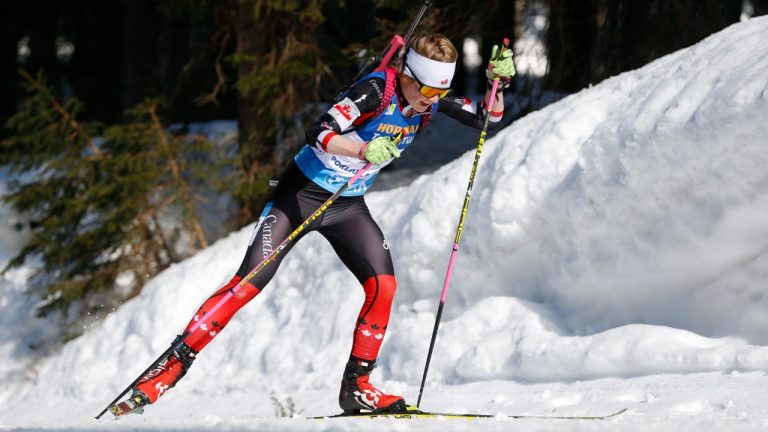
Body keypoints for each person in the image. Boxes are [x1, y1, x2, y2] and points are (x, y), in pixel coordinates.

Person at [115, 33, 515, 415]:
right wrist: (362, 148)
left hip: (346, 205)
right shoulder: (377, 91)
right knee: (247, 285)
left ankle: (357, 387)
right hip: (299, 198)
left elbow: (487, 118)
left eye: (440, 94)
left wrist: (499, 84)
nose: (433, 102)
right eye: (427, 91)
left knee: (384, 287)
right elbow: (318, 132)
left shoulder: (428, 100)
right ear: (408, 76)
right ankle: (164, 372)